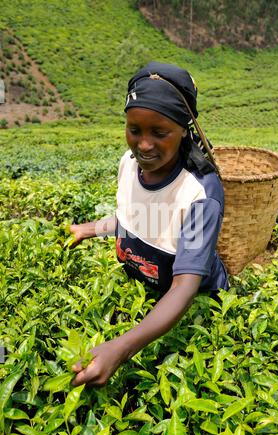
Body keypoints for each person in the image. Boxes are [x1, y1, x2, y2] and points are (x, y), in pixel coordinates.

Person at [70, 61, 229, 387]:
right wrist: (89, 229)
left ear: (184, 129)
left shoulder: (199, 192)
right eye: (134, 130)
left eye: (160, 133)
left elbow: (185, 288)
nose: (143, 145)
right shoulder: (128, 165)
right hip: (148, 288)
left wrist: (121, 349)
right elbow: (134, 217)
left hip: (192, 305)